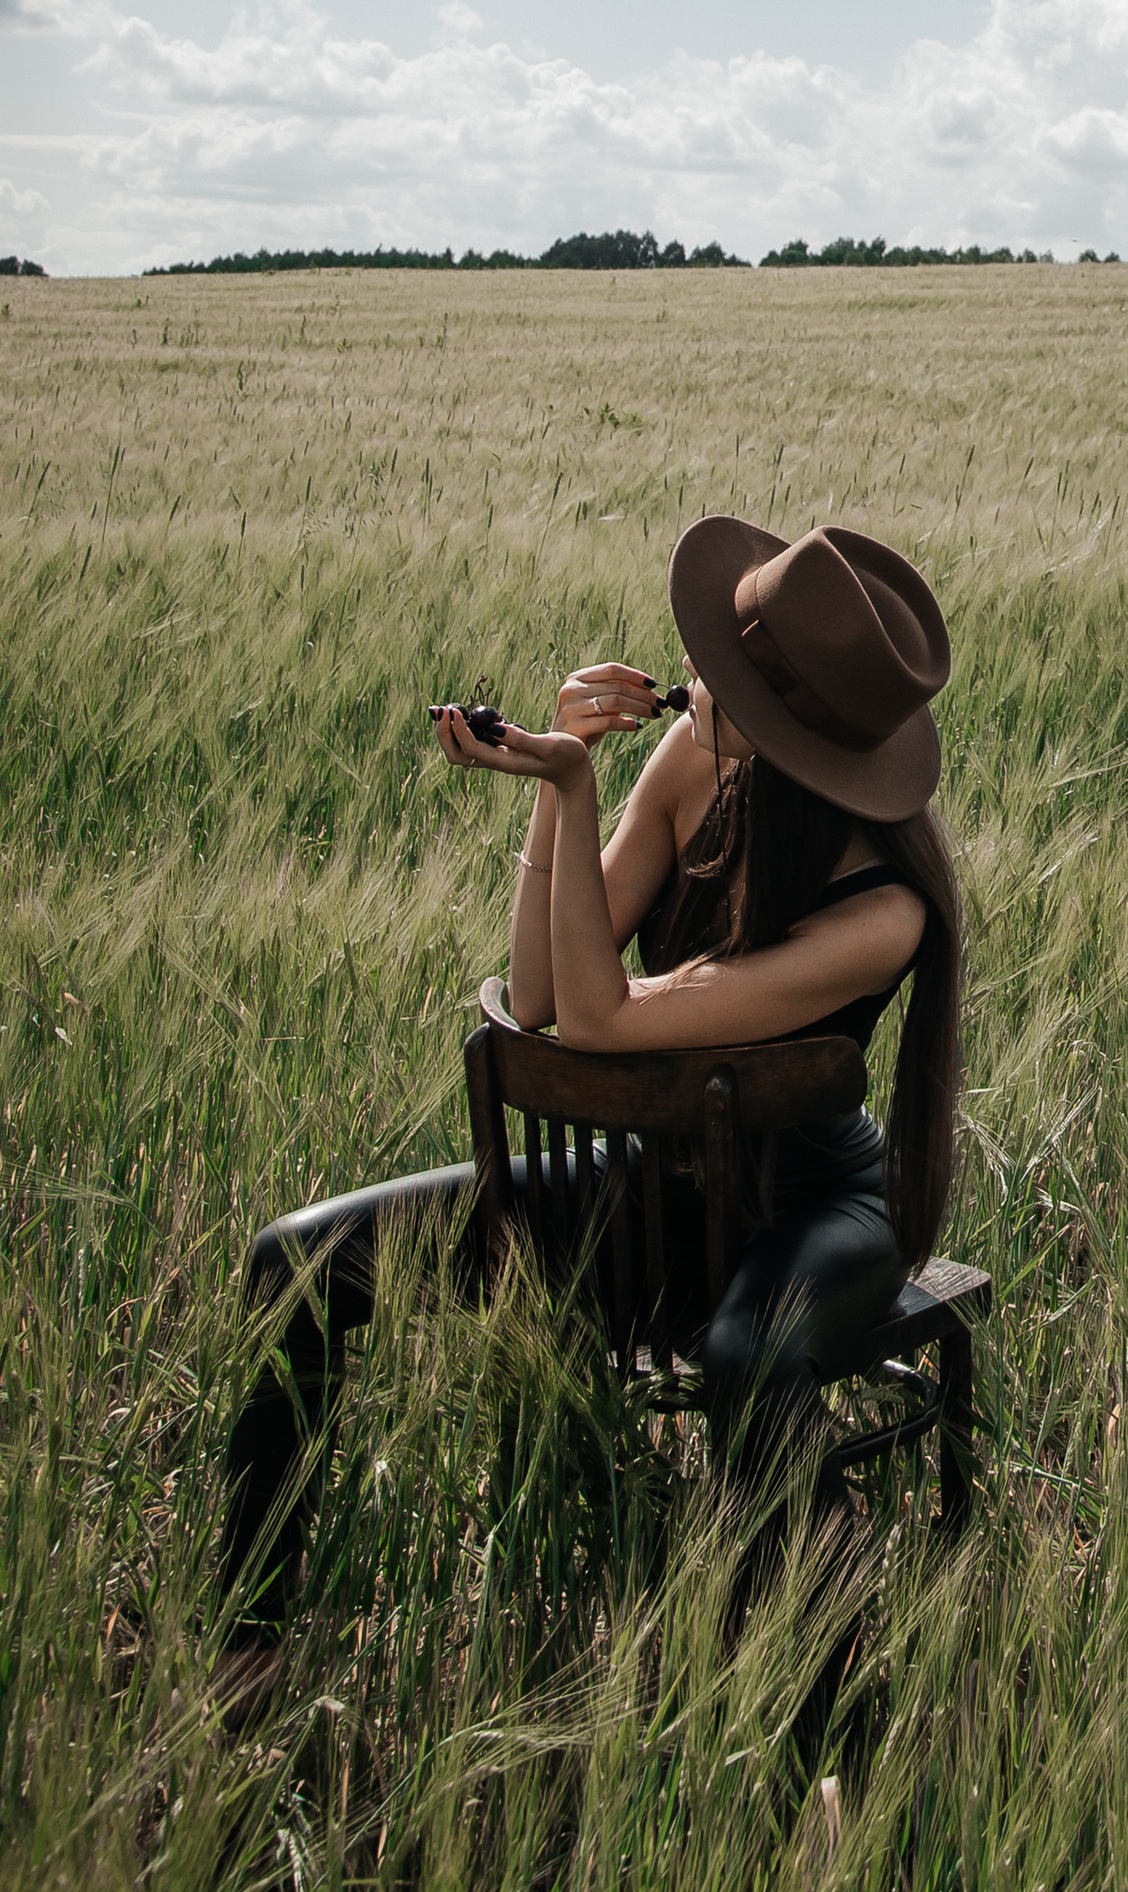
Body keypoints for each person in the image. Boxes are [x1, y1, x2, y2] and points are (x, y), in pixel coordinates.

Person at [220, 516, 964, 1633]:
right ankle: (247, 1634)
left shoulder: (881, 914)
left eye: (722, 670)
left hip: (809, 1216)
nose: (689, 672)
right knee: (296, 1260)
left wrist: (574, 791)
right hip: (654, 1193)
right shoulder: (693, 763)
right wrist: (551, 788)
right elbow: (535, 994)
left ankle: (826, 1672)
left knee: (747, 1355)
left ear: (795, 729)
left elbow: (600, 1023)